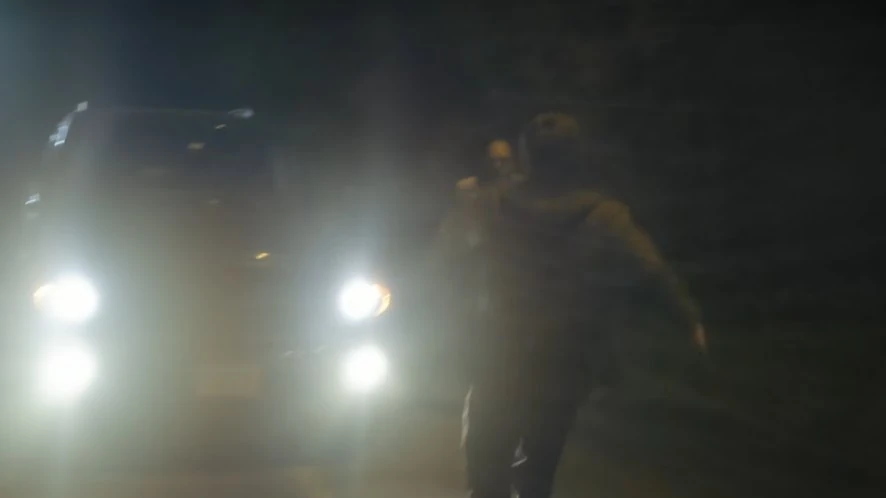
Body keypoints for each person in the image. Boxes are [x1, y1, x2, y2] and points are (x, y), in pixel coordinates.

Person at [435, 112, 706, 498]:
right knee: (538, 469)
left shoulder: (491, 204)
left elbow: (447, 259)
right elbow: (651, 268)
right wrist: (689, 319)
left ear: (526, 156)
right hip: (561, 363)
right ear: (576, 156)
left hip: (498, 356)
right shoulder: (604, 215)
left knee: (486, 469)